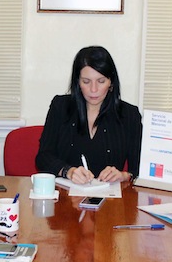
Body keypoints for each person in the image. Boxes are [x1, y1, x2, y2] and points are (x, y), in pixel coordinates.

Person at [36, 45, 142, 183]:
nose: (93, 89)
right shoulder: (61, 107)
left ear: (111, 82)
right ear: (77, 82)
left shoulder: (129, 115)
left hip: (110, 194)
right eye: (86, 82)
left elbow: (138, 170)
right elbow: (43, 157)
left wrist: (123, 175)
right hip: (66, 192)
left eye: (101, 81)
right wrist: (68, 171)